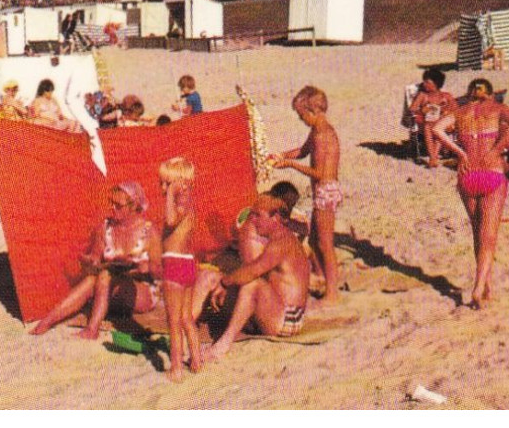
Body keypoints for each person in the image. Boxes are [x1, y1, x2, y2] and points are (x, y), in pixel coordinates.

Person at [432, 78, 509, 309]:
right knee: (489, 235)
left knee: (477, 232)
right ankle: (478, 287)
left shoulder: (461, 112)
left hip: (468, 174)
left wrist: (460, 153)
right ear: (490, 94)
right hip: (491, 172)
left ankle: (487, 285)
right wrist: (497, 148)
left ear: (469, 93)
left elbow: (436, 129)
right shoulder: (497, 108)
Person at [29, 182, 161, 339]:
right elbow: (96, 258)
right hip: (109, 289)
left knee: (104, 277)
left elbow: (160, 271)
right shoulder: (105, 227)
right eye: (111, 203)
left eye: (118, 205)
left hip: (140, 291)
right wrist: (90, 261)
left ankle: (92, 329)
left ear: (133, 207)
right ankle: (48, 321)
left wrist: (144, 267)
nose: (112, 208)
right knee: (94, 279)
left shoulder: (148, 231)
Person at [200, 194, 313, 360]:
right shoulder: (275, 239)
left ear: (275, 218)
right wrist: (223, 282)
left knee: (252, 285)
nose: (253, 220)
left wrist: (225, 283)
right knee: (209, 276)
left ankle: (223, 345)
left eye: (258, 215)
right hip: (274, 308)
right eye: (252, 215)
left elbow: (253, 271)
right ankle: (184, 327)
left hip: (288, 317)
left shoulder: (282, 242)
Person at [270, 86, 343, 300]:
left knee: (324, 243)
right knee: (313, 241)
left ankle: (332, 293)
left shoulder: (323, 136)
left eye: (301, 116)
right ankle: (320, 276)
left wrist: (291, 165)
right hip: (322, 190)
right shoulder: (317, 131)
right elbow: (303, 151)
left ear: (313, 111)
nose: (301, 120)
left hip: (326, 191)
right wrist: (281, 156)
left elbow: (319, 172)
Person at [157, 157, 201, 381]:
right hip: (187, 262)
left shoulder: (180, 202)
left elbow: (171, 220)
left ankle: (176, 367)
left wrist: (170, 197)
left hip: (175, 263)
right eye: (162, 184)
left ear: (180, 183)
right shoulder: (189, 202)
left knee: (173, 320)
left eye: (167, 183)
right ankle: (196, 358)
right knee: (186, 318)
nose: (163, 189)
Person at [408, 68, 452, 167]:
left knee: (439, 128)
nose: (424, 84)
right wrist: (422, 110)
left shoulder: (445, 96)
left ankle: (433, 157)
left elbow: (455, 109)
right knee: (429, 127)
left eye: (427, 82)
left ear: (436, 83)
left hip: (440, 123)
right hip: (425, 122)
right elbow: (412, 109)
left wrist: (446, 112)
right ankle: (433, 156)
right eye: (424, 81)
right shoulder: (423, 95)